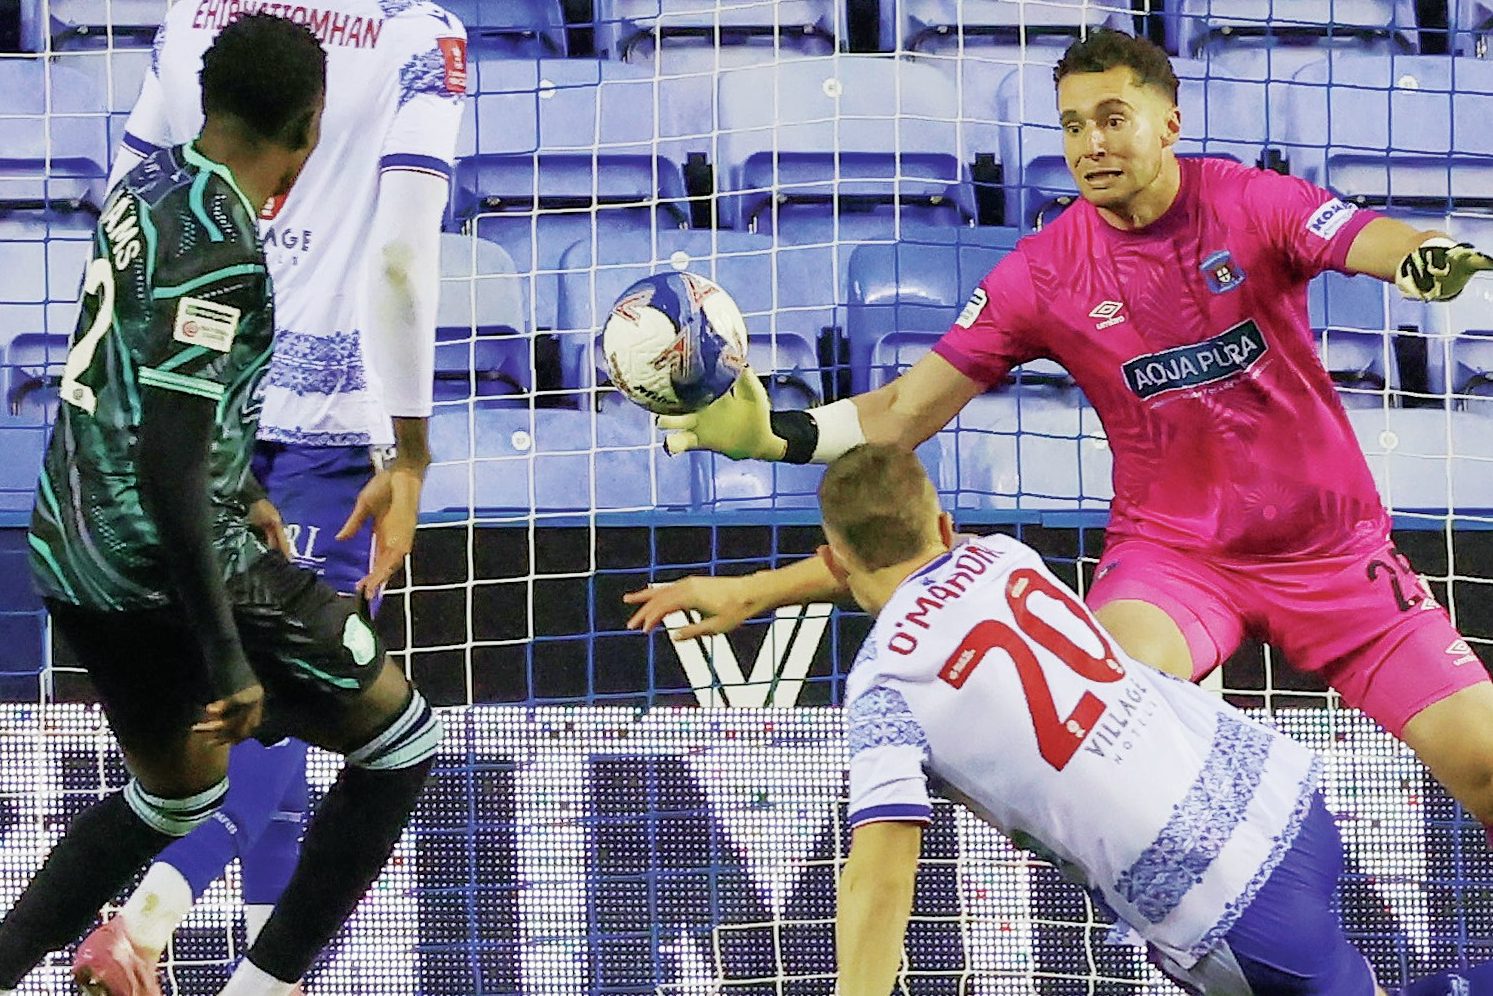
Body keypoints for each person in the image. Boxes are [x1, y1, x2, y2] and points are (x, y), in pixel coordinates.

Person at [631, 29, 1493, 830]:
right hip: (1175, 560)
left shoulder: (1248, 201)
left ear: (1168, 124)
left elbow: (1362, 236)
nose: (1090, 144)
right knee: (1107, 737)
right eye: (1074, 125)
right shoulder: (1043, 273)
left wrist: (1417, 257)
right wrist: (769, 435)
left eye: (1113, 119)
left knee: (1485, 763)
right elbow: (900, 412)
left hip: (1330, 552)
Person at [0, 15, 442, 996]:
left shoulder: (143, 188)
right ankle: (261, 988)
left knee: (173, 798)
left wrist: (242, 485)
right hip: (156, 563)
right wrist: (229, 656)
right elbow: (167, 462)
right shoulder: (227, 253)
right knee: (401, 738)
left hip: (68, 552)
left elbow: (132, 377)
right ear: (310, 124)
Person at [731, 443, 1493, 995]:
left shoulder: (884, 686)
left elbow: (879, 869)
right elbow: (908, 571)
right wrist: (760, 590)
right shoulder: (1003, 557)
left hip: (1214, 896)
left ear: (831, 561)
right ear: (941, 523)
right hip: (1278, 793)